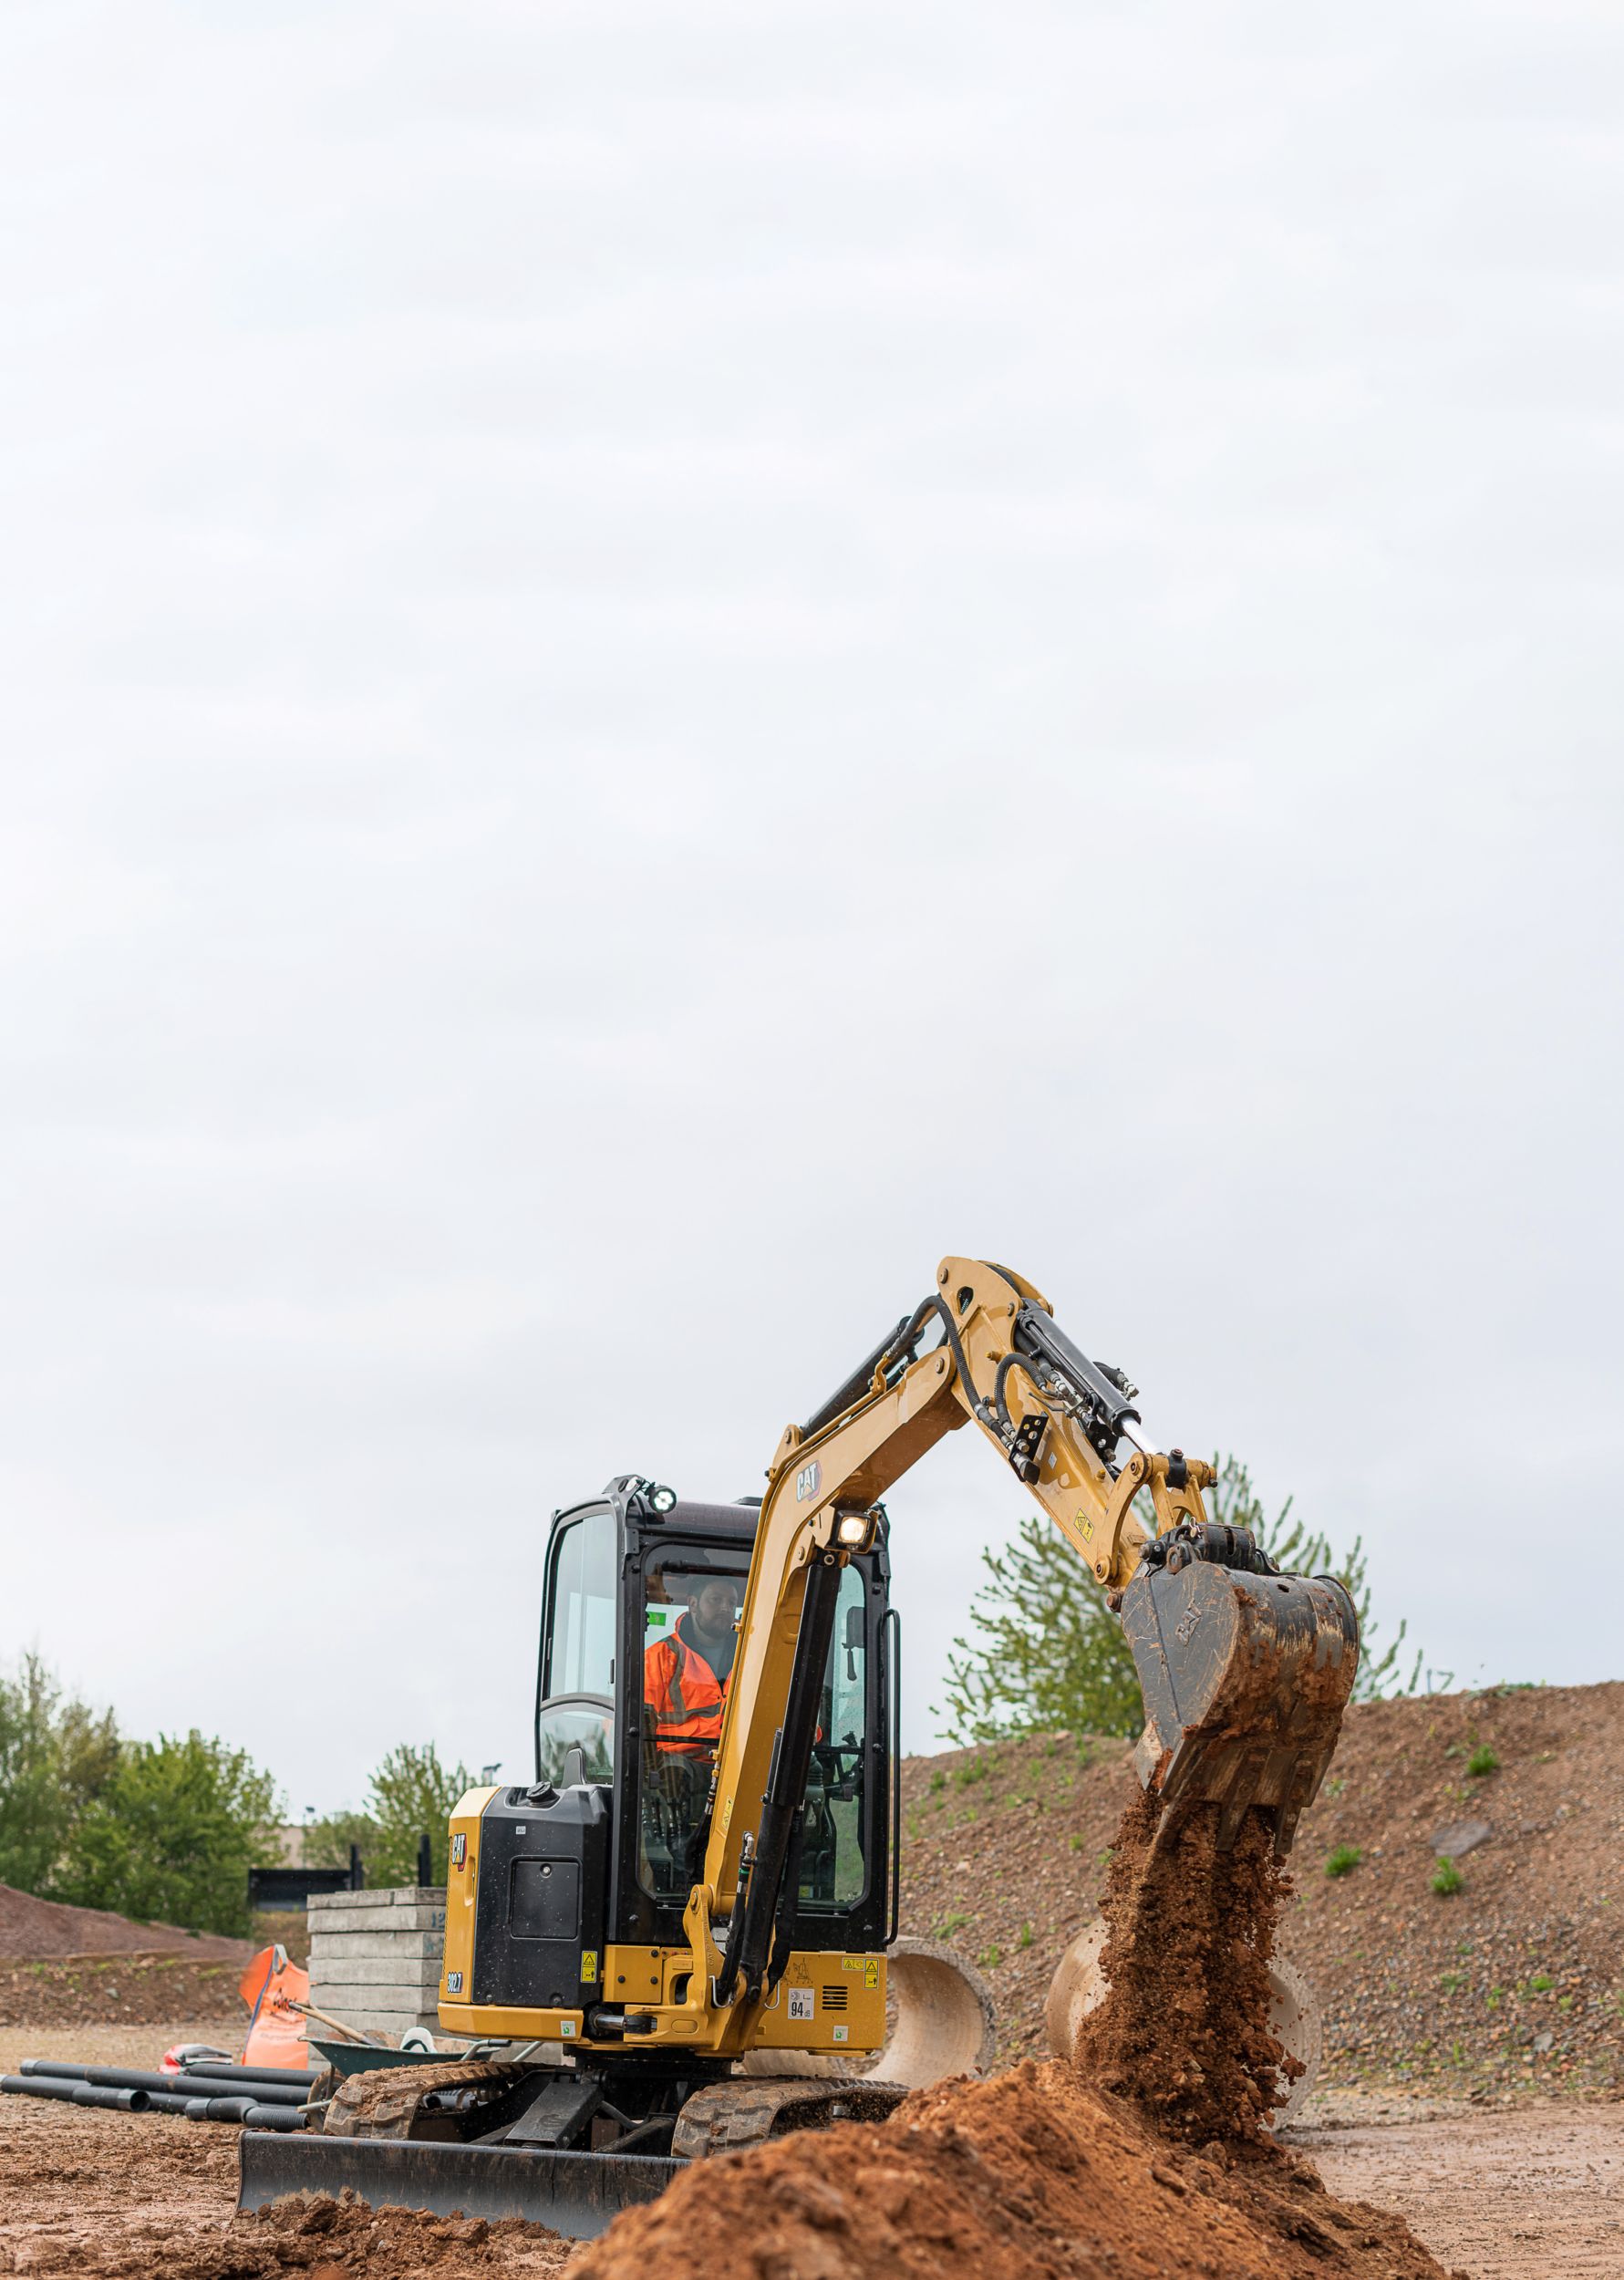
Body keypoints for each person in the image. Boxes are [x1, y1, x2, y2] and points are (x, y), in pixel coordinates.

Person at [643, 1574, 742, 1762]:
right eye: (716, 1600)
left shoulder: (750, 1658)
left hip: (738, 1765)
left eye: (732, 1602)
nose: (725, 1608)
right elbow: (632, 1724)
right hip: (676, 1767)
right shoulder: (659, 1658)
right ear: (693, 1604)